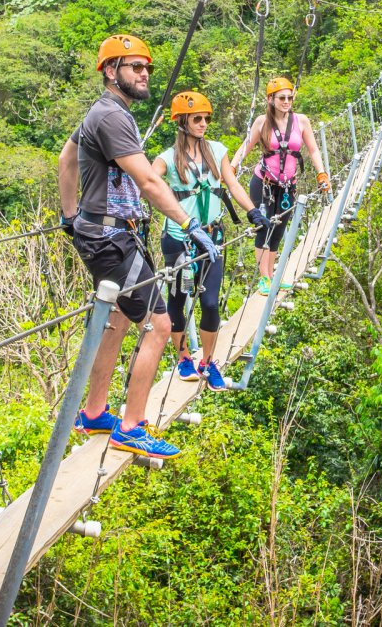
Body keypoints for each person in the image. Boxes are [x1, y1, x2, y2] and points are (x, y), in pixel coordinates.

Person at [58, 34, 219, 460]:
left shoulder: (105, 113)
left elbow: (66, 158)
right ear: (111, 72)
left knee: (117, 318)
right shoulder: (111, 116)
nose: (144, 74)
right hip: (113, 239)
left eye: (146, 67)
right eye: (134, 67)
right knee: (160, 326)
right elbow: (148, 181)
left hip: (104, 233)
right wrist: (190, 223)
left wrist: (71, 215)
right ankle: (131, 427)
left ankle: (93, 413)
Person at [152, 91, 271, 391]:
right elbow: (150, 184)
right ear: (181, 122)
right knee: (177, 301)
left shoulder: (217, 150)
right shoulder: (166, 158)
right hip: (179, 240)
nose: (204, 123)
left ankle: (208, 360)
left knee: (210, 303)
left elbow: (231, 183)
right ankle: (182, 358)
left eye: (206, 118)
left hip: (212, 237)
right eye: (197, 119)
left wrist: (253, 211)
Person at [231, 77, 329, 295]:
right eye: (282, 98)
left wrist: (321, 173)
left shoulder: (301, 121)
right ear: (271, 99)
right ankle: (264, 278)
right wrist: (232, 167)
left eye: (289, 97)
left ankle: (271, 275)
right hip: (263, 182)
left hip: (287, 186)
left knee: (278, 230)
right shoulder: (261, 122)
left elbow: (313, 150)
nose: (287, 101)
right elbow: (245, 147)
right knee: (263, 226)